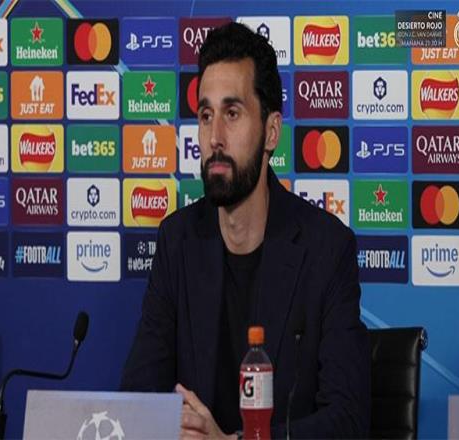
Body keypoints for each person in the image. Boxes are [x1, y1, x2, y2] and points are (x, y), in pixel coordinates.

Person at [121, 22, 370, 439]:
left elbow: (347, 420)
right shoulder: (177, 242)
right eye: (206, 116)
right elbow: (137, 399)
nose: (215, 138)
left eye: (232, 114)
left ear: (271, 132)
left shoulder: (326, 249)